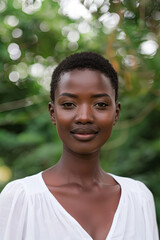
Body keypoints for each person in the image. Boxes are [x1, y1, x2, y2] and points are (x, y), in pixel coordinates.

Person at [0, 52, 159, 240]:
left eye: (100, 104)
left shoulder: (139, 199)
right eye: (68, 104)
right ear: (53, 113)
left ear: (116, 114)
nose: (84, 116)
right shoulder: (22, 199)